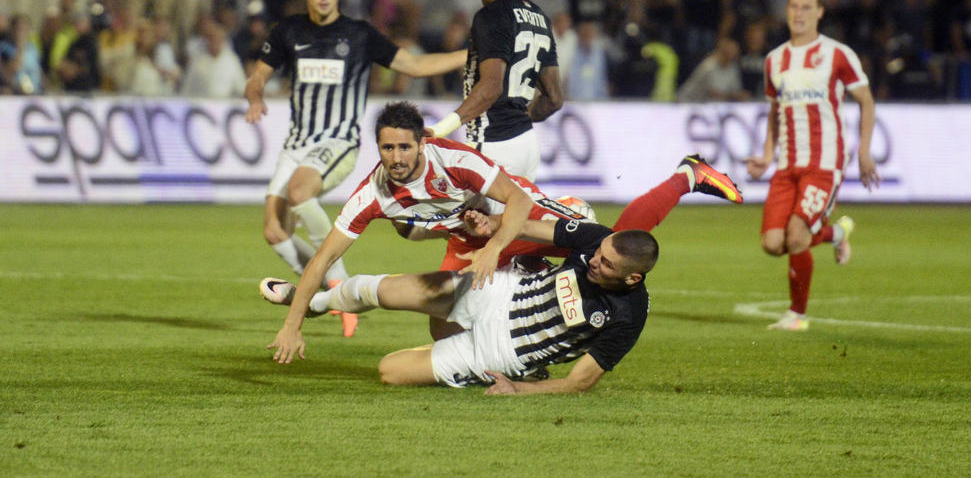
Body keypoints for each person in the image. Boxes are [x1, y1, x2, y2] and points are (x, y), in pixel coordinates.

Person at [261, 101, 745, 361]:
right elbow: (323, 257)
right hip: (470, 238)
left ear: (421, 143)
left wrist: (495, 244)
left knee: (607, 241)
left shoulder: (455, 159)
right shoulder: (374, 195)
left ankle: (687, 174)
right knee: (441, 322)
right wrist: (291, 325)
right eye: (387, 149)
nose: (396, 158)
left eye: (404, 148)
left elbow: (518, 201)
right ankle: (311, 303)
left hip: (521, 220)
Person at [244, 0, 467, 337]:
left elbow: (413, 66)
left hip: (338, 142)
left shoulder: (360, 35)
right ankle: (322, 291)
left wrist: (472, 56)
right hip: (297, 144)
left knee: (300, 190)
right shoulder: (288, 32)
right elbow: (259, 75)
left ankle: (336, 286)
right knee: (274, 231)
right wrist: (255, 96)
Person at [263, 219, 658, 394]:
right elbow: (524, 225)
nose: (594, 260)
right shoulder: (596, 241)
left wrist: (517, 390)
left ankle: (517, 373)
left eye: (606, 264)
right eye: (600, 253)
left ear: (631, 279)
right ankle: (312, 303)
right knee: (374, 289)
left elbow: (581, 381)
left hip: (500, 352)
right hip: (495, 291)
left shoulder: (630, 314)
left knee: (390, 372)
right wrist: (491, 226)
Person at [744, 0, 880, 332]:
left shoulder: (837, 54)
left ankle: (798, 315)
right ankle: (835, 234)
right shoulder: (775, 60)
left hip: (824, 163)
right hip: (787, 165)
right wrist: (766, 154)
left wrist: (864, 151)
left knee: (796, 233)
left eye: (807, 7)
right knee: (773, 244)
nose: (799, 13)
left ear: (820, 12)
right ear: (786, 10)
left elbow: (866, 100)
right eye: (794, 6)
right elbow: (775, 112)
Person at [425, 0, 563, 183]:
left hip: (493, 145)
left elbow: (491, 87)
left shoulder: (491, 16)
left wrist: (439, 129)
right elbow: (554, 98)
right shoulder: (540, 17)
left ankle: (576, 220)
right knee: (510, 221)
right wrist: (518, 120)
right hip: (527, 146)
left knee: (436, 215)